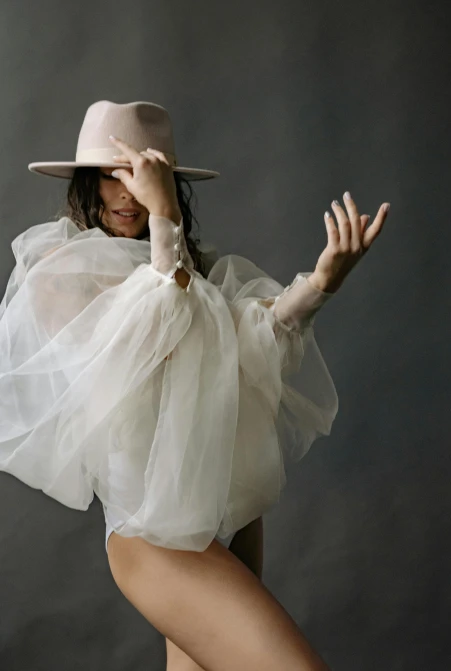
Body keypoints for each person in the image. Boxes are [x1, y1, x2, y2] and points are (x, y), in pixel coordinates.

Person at [0, 100, 390, 671]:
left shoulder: (192, 267)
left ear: (167, 177)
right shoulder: (60, 269)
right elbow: (142, 338)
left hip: (232, 519)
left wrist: (323, 282)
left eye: (142, 172)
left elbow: (257, 342)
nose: (127, 191)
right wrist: (164, 223)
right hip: (158, 537)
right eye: (112, 174)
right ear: (89, 182)